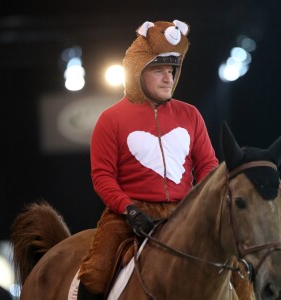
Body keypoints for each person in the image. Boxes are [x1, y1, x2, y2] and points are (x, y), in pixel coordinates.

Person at [77, 19, 218, 299]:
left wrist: (199, 203)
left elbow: (208, 166)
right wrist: (128, 209)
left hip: (184, 211)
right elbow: (102, 176)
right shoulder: (110, 119)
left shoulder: (191, 115)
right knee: (95, 274)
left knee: (236, 269)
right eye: (158, 70)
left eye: (172, 70)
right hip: (129, 215)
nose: (168, 78)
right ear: (137, 72)